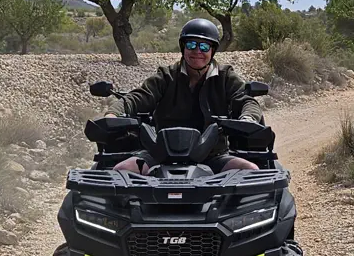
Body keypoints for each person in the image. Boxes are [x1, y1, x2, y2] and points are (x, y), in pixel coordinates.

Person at [106, 18, 262, 175]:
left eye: (204, 46)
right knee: (121, 170)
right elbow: (138, 97)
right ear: (183, 47)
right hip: (161, 152)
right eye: (191, 45)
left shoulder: (225, 77)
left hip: (212, 154)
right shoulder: (167, 76)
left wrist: (248, 119)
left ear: (212, 50)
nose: (197, 51)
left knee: (251, 171)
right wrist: (112, 115)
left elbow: (246, 100)